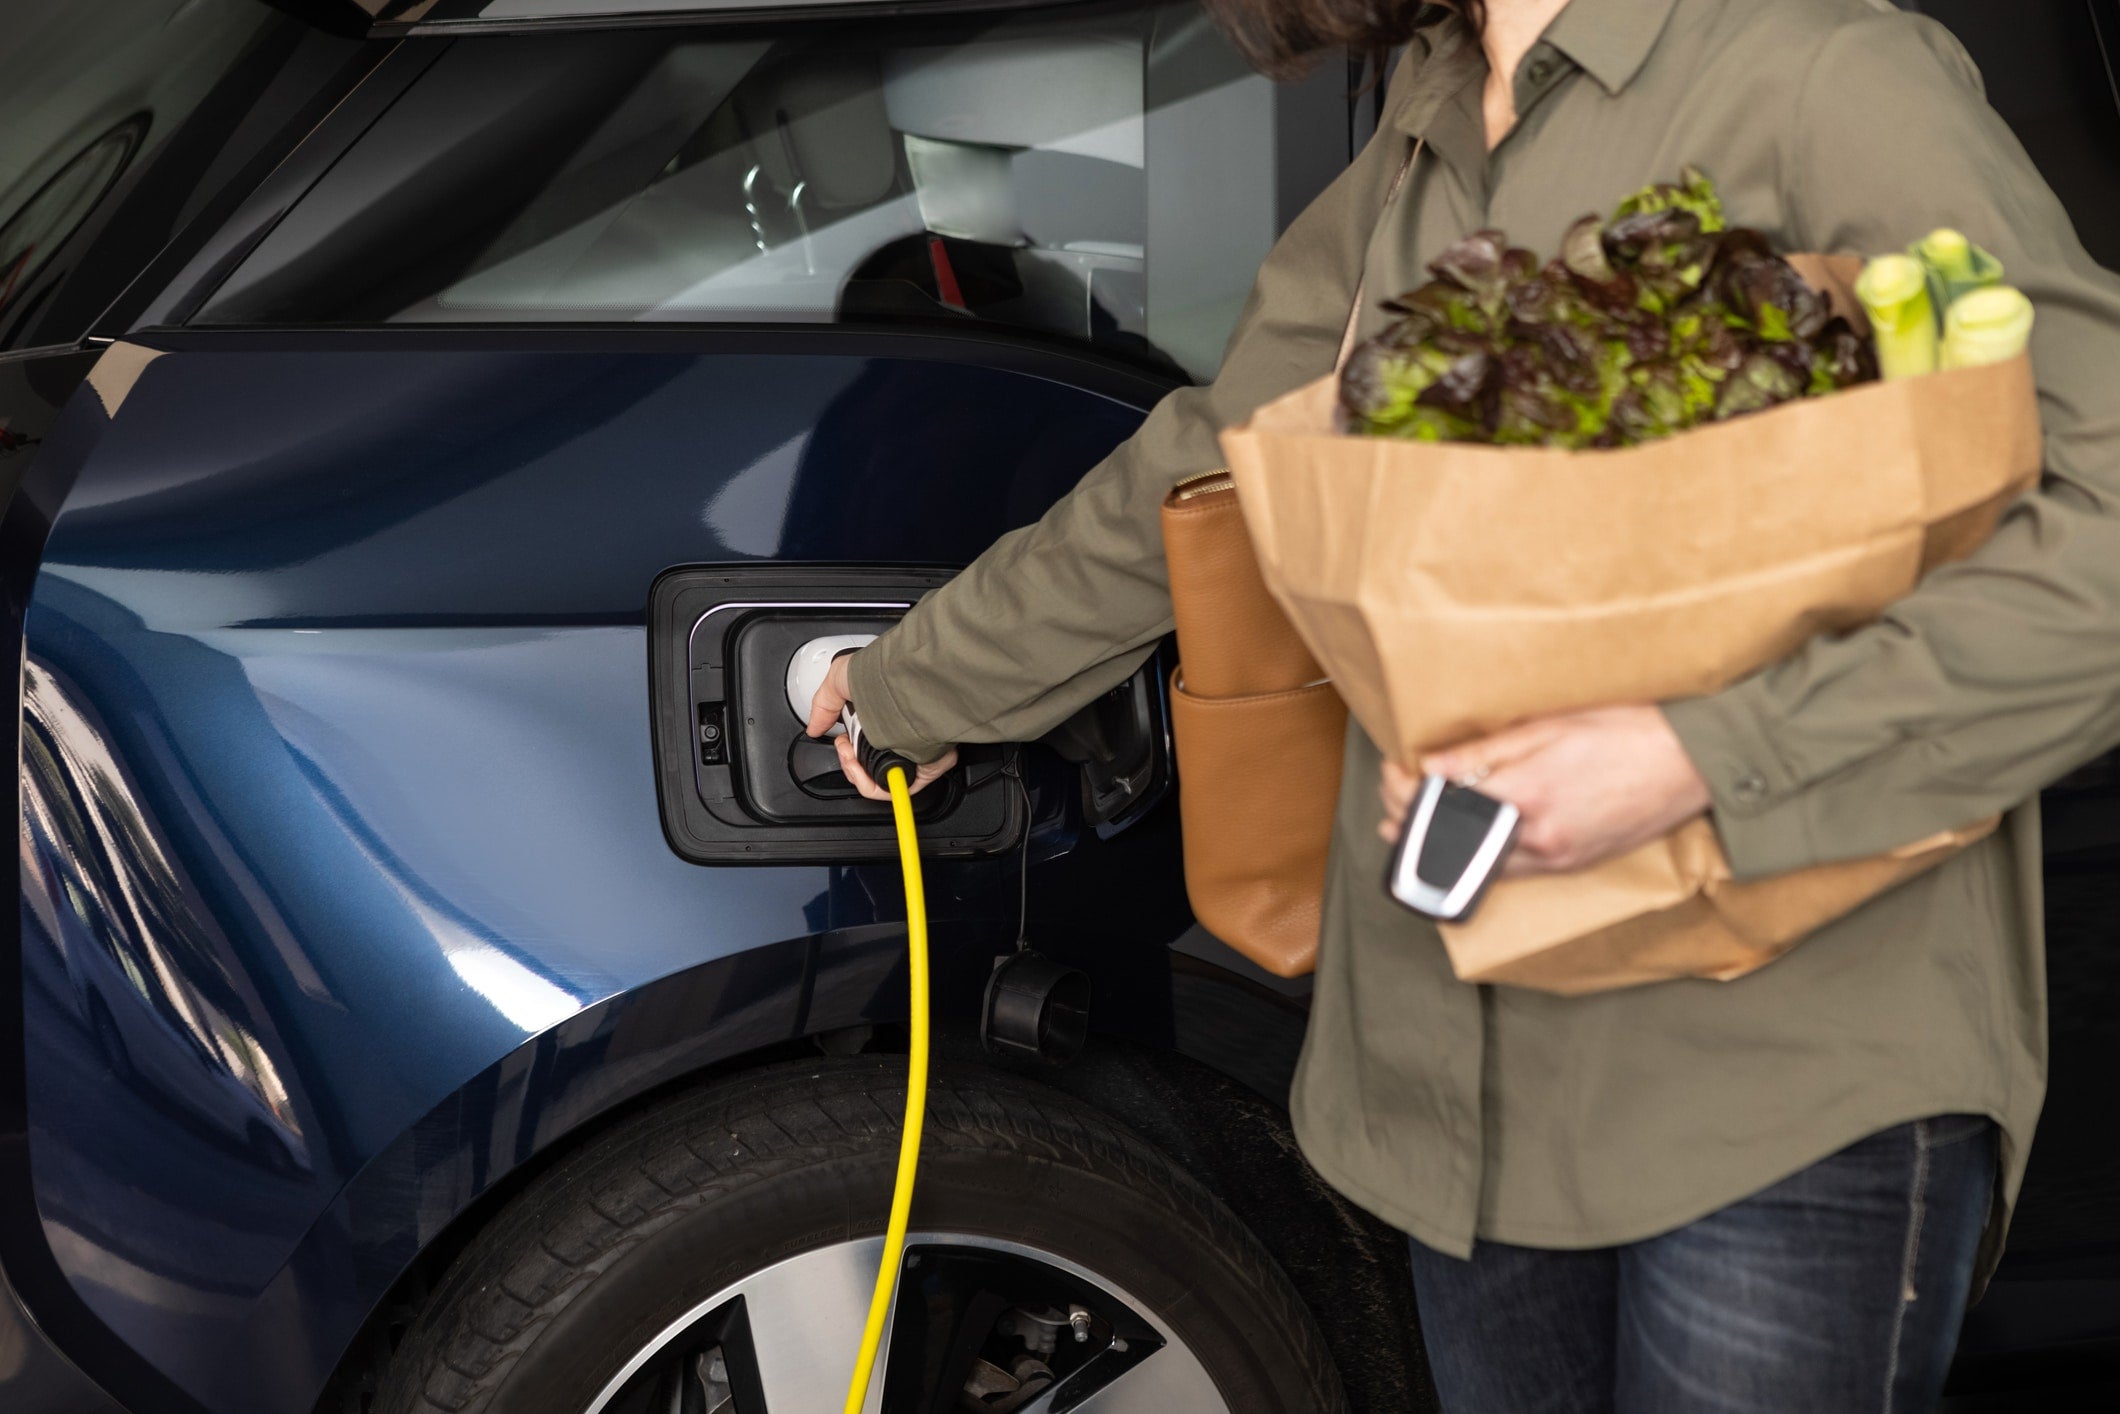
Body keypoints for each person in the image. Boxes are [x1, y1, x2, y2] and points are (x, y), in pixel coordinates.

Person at [806, 0, 2120, 1407]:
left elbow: (2098, 529)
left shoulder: (1821, 73)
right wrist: (918, 685)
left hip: (1775, 1088)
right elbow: (1214, 468)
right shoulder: (1426, 120)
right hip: (1459, 1105)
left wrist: (1695, 753)